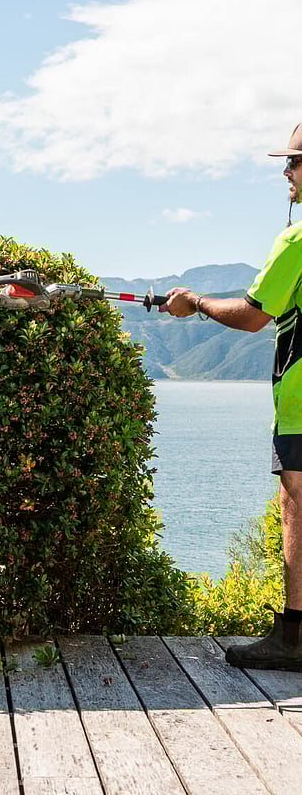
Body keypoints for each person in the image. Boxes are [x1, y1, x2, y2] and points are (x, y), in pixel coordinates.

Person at [160, 123, 302, 670]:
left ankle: (294, 638)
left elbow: (250, 315)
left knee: (298, 508)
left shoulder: (297, 241)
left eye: (293, 162)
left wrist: (194, 301)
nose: (285, 172)